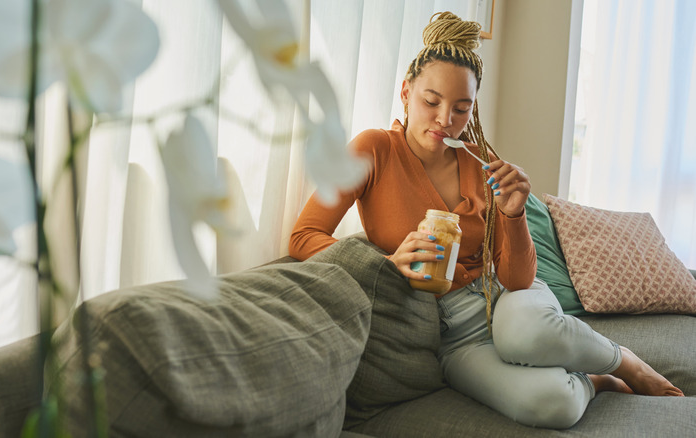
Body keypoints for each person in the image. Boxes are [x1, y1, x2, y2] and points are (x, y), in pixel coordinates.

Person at [288, 11, 683, 429]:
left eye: (462, 108)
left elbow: (516, 279)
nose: (445, 120)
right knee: (554, 406)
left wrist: (513, 215)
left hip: (506, 299)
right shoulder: (373, 151)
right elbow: (304, 235)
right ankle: (596, 381)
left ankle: (625, 361)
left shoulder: (482, 164)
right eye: (431, 101)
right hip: (450, 335)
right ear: (405, 92)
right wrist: (383, 266)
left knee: (521, 335)